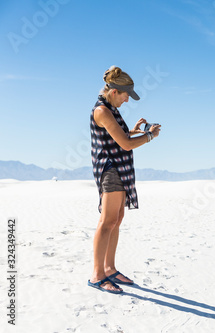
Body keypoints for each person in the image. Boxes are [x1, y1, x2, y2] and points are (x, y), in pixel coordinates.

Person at [88, 66, 161, 294]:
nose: (128, 100)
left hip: (120, 168)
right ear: (114, 91)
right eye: (126, 95)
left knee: (117, 219)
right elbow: (125, 145)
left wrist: (136, 130)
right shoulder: (102, 111)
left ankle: (109, 268)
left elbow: (121, 136)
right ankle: (97, 275)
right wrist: (149, 136)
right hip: (111, 169)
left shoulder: (111, 109)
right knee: (107, 221)